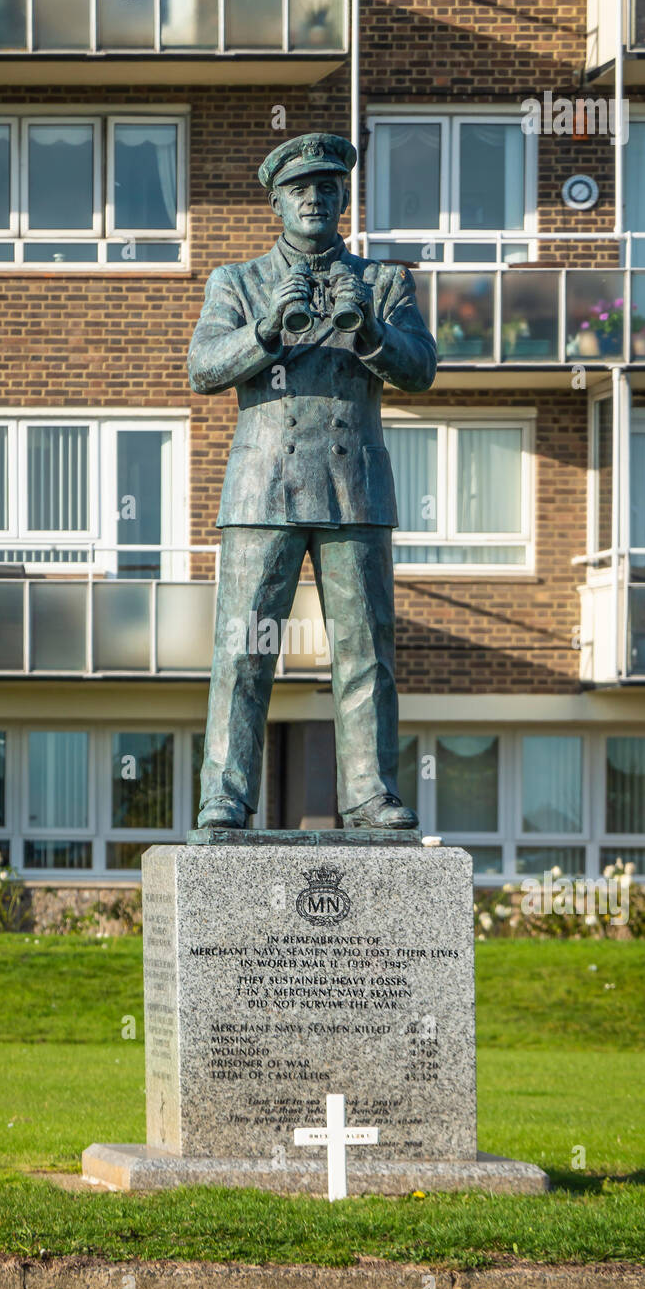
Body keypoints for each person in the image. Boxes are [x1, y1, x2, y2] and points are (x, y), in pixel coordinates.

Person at [189, 132, 437, 830]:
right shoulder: (236, 282)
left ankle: (368, 794)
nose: (315, 198)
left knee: (365, 653)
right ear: (276, 202)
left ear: (341, 199)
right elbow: (203, 369)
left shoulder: (384, 282)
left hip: (354, 489)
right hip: (261, 490)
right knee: (243, 652)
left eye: (328, 188)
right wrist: (266, 330)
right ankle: (226, 799)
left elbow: (420, 368)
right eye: (301, 189)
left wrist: (371, 335)